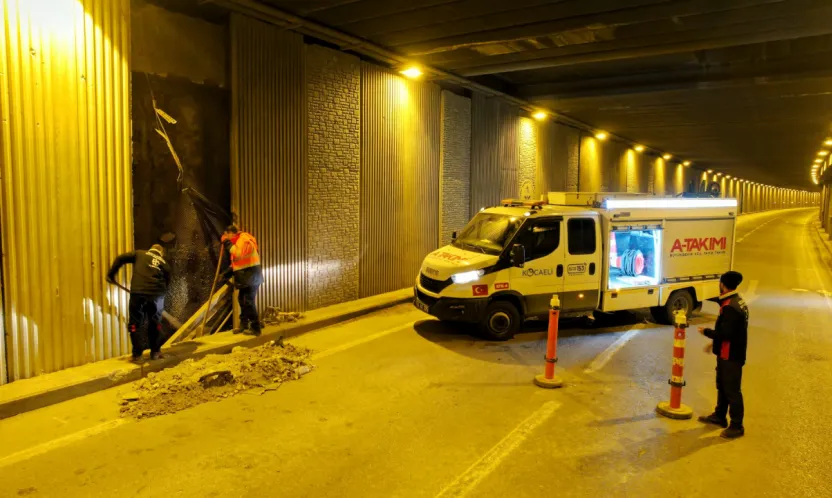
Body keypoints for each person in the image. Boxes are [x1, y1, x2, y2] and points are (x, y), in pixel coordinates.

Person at [697, 270, 749, 439]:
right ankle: (719, 416)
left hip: (731, 355)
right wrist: (714, 344)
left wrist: (706, 332)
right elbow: (732, 331)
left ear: (723, 285)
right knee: (722, 385)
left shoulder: (730, 307)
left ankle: (736, 425)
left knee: (732, 390)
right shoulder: (736, 301)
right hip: (728, 352)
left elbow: (726, 334)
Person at [107, 244, 172, 362]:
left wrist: (111, 274)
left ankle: (137, 355)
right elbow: (167, 283)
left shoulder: (140, 253)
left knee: (135, 324)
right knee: (155, 324)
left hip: (138, 293)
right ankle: (155, 352)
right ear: (161, 253)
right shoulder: (164, 264)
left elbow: (120, 258)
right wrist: (158, 295)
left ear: (150, 249)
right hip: (156, 296)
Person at [221, 225, 264, 336]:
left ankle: (256, 328)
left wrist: (226, 242)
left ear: (231, 233)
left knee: (248, 301)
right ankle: (243, 325)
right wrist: (227, 273)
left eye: (227, 235)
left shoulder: (244, 239)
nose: (226, 237)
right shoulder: (238, 242)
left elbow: (238, 253)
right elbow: (238, 261)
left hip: (251, 276)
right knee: (242, 300)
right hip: (247, 276)